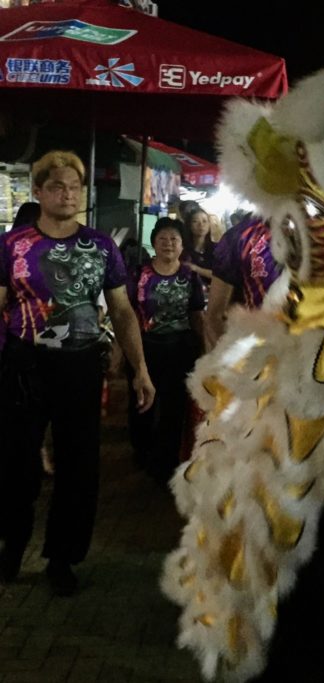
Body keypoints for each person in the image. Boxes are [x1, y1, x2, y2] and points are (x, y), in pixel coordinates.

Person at [0, 150, 155, 596]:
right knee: (15, 460)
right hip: (23, 363)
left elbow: (123, 311)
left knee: (79, 464)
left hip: (80, 365)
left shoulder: (101, 246)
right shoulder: (13, 247)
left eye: (74, 187)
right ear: (38, 192)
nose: (67, 195)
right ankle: (12, 541)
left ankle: (62, 557)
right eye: (57, 187)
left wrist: (140, 368)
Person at [128, 217, 206, 480]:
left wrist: (206, 349)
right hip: (145, 348)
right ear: (153, 243)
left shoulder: (190, 275)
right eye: (162, 239)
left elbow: (197, 314)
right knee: (142, 405)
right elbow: (126, 315)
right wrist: (121, 352)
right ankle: (142, 450)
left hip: (180, 349)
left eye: (174, 239)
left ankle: (165, 462)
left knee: (174, 407)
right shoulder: (139, 275)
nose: (168, 244)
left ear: (183, 245)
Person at [206, 214, 283, 348]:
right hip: (258, 347)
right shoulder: (239, 236)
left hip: (313, 349)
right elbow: (214, 315)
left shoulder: (318, 230)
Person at [182, 208, 215, 284]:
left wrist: (196, 269)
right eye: (195, 221)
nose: (201, 225)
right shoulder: (182, 250)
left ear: (209, 225)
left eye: (204, 221)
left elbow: (222, 276)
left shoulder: (217, 249)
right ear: (189, 225)